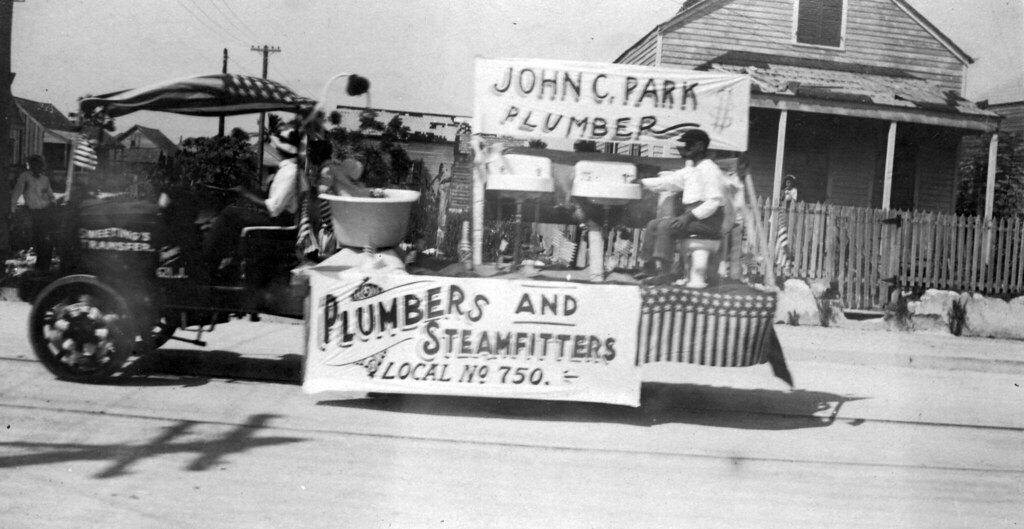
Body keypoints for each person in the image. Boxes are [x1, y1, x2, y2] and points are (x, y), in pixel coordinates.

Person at [202, 123, 305, 279]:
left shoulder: (291, 172)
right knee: (235, 211)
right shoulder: (288, 169)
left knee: (231, 214)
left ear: (280, 148)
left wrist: (245, 193)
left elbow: (274, 207)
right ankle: (228, 265)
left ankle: (205, 266)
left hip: (281, 222)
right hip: (280, 218)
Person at [636, 128, 726, 287]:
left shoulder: (711, 170)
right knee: (653, 224)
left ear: (699, 146)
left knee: (665, 226)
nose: (682, 149)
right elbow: (669, 181)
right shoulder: (691, 170)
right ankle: (649, 266)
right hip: (693, 218)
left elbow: (713, 202)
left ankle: (665, 273)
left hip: (708, 221)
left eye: (686, 145)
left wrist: (688, 217)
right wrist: (642, 182)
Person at [11, 155, 57, 270]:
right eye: (34, 164)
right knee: (38, 237)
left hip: (46, 211)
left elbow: (50, 195)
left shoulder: (44, 179)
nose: (37, 167)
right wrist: (11, 210)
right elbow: (17, 192)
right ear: (31, 166)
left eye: (39, 164)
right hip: (34, 212)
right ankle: (41, 264)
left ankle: (45, 264)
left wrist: (54, 205)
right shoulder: (25, 177)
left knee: (47, 238)